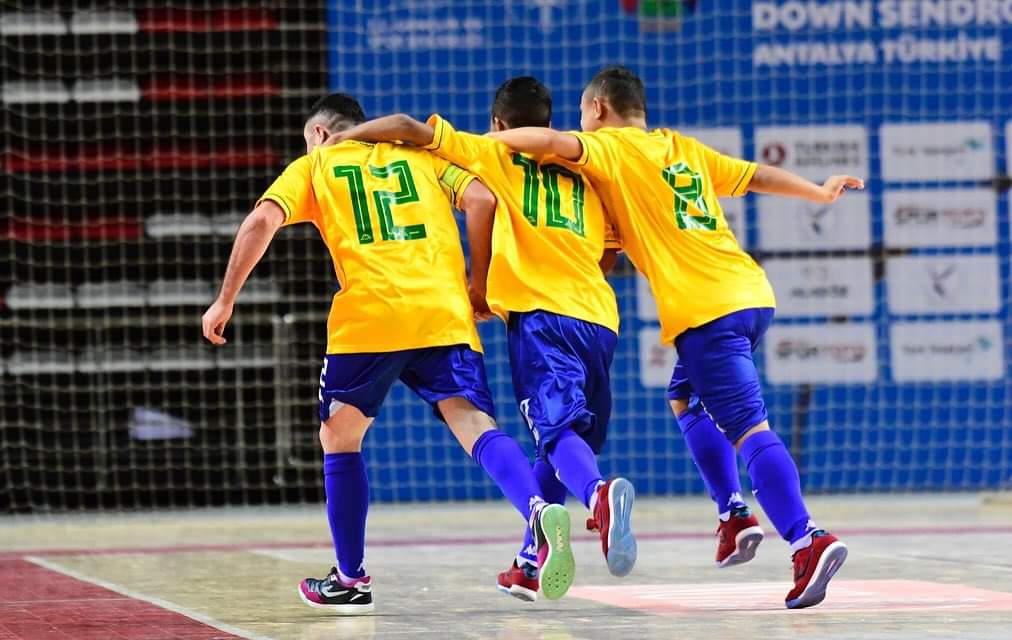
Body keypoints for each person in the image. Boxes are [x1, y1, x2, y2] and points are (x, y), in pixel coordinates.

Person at [487, 65, 864, 610]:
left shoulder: (611, 148)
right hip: (750, 292)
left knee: (749, 428)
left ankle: (808, 539)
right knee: (684, 397)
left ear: (597, 110)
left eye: (581, 117)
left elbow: (546, 142)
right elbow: (755, 175)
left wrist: (478, 144)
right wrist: (819, 194)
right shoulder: (680, 148)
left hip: (705, 310)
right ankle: (733, 512)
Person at [201, 93, 576, 613]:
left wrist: (224, 300)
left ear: (318, 132)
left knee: (340, 436)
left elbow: (261, 221)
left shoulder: (315, 162)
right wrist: (477, 283)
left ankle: (351, 578)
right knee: (474, 425)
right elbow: (484, 200)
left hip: (371, 317)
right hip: (443, 312)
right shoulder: (422, 158)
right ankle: (535, 508)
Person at [326, 76, 637, 602]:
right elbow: (613, 251)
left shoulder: (494, 154)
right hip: (600, 317)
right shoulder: (585, 167)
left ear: (498, 124)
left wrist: (479, 283)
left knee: (555, 435)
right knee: (556, 440)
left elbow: (408, 130)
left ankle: (599, 494)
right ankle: (529, 560)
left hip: (541, 318)